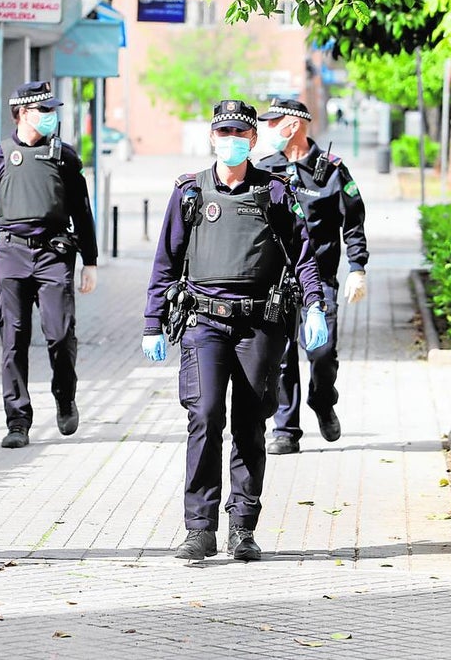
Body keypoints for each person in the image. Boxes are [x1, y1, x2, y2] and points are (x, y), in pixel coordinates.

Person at [142, 99, 328, 561]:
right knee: (204, 416)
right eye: (223, 133)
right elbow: (166, 261)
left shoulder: (275, 192)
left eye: (240, 135)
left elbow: (303, 256)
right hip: (203, 322)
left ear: (252, 141)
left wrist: (315, 306)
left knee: (249, 424)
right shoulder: (189, 193)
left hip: (260, 324)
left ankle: (242, 528)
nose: (231, 141)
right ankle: (199, 529)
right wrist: (152, 323)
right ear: (212, 138)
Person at [0, 81, 99, 449]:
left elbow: (82, 213)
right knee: (13, 341)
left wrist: (91, 261)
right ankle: (18, 421)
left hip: (54, 255)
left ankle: (65, 396)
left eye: (54, 111)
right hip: (11, 254)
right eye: (45, 111)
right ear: (23, 113)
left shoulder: (65, 157)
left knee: (60, 334)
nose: (52, 117)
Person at [255, 98, 369, 456]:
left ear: (296, 125)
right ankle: (285, 429)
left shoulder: (332, 170)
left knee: (321, 351)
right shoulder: (264, 169)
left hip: (319, 281)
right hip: (277, 283)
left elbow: (353, 223)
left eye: (276, 122)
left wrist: (358, 268)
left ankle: (323, 400)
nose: (270, 129)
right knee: (282, 355)